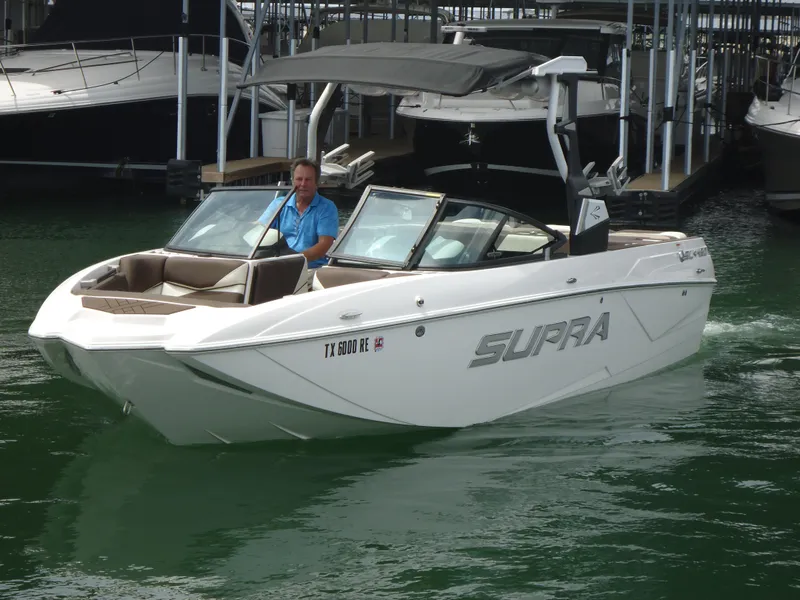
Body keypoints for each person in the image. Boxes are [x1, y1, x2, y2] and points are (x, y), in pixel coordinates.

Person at [258, 158, 339, 268]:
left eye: (308, 180)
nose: (303, 184)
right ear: (292, 181)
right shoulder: (279, 204)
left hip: (311, 268)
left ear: (317, 182)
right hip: (277, 265)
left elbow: (324, 246)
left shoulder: (327, 207)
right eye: (299, 179)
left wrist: (294, 261)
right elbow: (259, 231)